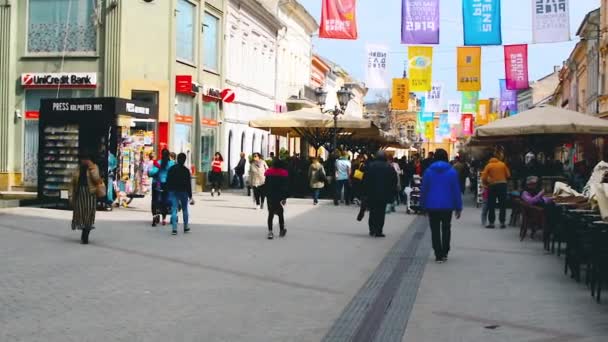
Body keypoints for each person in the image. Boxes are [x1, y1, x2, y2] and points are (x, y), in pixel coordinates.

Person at [421, 149, 463, 263]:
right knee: (446, 228)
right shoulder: (452, 172)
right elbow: (456, 191)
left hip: (432, 205)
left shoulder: (428, 172)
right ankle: (445, 252)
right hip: (447, 205)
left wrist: (423, 206)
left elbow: (424, 190)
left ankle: (438, 254)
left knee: (434, 230)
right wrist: (458, 207)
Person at [70, 151, 103, 244]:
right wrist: (71, 194)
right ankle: (84, 230)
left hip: (90, 193)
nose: (84, 161)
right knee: (81, 213)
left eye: (86, 159)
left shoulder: (94, 167)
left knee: (89, 214)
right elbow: (73, 182)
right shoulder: (78, 168)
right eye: (83, 159)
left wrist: (91, 167)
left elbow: (97, 179)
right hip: (80, 192)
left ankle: (85, 235)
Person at [362, 151, 398, 238]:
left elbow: (365, 180)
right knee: (381, 212)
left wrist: (365, 192)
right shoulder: (389, 167)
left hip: (372, 193)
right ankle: (379, 230)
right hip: (384, 194)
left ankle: (372, 229)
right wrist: (392, 192)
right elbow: (394, 181)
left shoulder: (370, 166)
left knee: (373, 211)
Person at [166, 153, 194, 235]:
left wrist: (168, 190)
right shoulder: (186, 171)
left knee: (174, 209)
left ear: (177, 159)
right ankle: (186, 227)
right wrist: (190, 196)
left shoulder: (172, 169)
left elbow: (168, 180)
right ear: (184, 160)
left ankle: (174, 229)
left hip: (173, 191)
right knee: (185, 209)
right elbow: (188, 184)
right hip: (183, 192)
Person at [481, 156, 511, 229]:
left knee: (492, 204)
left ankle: (492, 223)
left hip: (492, 186)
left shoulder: (488, 165)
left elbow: (484, 177)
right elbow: (508, 175)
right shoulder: (502, 164)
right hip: (502, 185)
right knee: (502, 204)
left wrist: (485, 183)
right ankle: (502, 222)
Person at [148, 149, 175, 226]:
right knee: (165, 200)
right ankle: (164, 218)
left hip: (157, 183)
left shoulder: (158, 162)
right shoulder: (172, 163)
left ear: (161, 154)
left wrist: (149, 173)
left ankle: (155, 216)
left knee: (155, 200)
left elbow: (152, 172)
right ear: (169, 155)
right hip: (167, 184)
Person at [264, 158, 289, 240]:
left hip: (270, 195)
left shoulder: (268, 172)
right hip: (279, 195)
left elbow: (266, 184)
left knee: (270, 213)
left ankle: (270, 232)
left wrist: (265, 194)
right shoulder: (283, 173)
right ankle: (281, 230)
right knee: (280, 213)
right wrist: (284, 198)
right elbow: (285, 187)